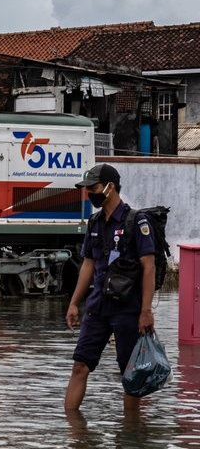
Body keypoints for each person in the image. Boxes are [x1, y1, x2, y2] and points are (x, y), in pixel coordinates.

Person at [64, 164, 155, 415]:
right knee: (80, 365)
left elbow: (148, 267)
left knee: (130, 374)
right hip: (97, 306)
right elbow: (88, 265)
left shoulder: (137, 221)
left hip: (128, 308)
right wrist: (74, 303)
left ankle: (131, 437)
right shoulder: (94, 222)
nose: (89, 194)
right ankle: (72, 435)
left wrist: (146, 311)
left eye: (93, 188)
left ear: (110, 187)